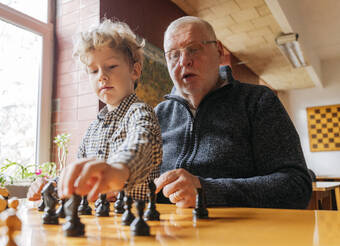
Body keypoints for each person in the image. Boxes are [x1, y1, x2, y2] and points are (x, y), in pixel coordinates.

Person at [154, 16, 312, 209]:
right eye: (173, 54)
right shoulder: (157, 115)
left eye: (193, 49)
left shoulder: (258, 101)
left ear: (219, 51)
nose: (184, 61)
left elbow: (296, 186)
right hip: (169, 233)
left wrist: (207, 191)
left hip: (241, 233)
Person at [28, 19, 162, 202]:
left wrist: (118, 170)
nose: (102, 77)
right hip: (97, 223)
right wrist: (51, 186)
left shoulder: (140, 113)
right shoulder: (92, 130)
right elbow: (80, 175)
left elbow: (142, 144)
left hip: (135, 222)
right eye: (93, 71)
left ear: (135, 71)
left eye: (111, 66)